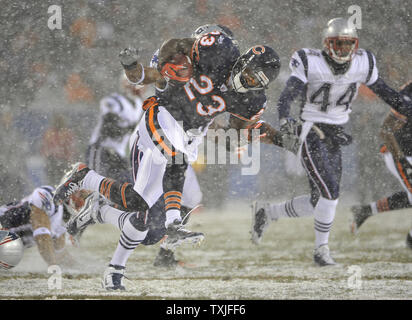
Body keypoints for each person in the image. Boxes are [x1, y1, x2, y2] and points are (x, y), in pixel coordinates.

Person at [54, 31, 283, 290]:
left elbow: (235, 130)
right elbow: (149, 73)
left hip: (184, 138)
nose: (250, 80)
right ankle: (173, 225)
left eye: (257, 80)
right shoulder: (192, 60)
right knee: (177, 158)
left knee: (140, 215)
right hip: (158, 119)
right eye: (250, 73)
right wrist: (134, 68)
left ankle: (111, 261)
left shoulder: (250, 97)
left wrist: (273, 137)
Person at [251, 17, 411, 266]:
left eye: (349, 44)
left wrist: (407, 108)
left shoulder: (363, 63)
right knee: (330, 193)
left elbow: (388, 94)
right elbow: (287, 96)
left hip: (336, 132)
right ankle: (321, 251)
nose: (344, 49)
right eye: (339, 43)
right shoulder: (309, 60)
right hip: (310, 129)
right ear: (327, 43)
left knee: (319, 201)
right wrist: (284, 120)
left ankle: (267, 213)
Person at [350, 81, 412, 248]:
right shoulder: (408, 96)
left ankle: (367, 210)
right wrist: (402, 160)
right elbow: (386, 130)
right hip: (400, 151)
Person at [86, 73, 146, 182]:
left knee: (124, 188)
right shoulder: (115, 101)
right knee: (95, 185)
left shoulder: (138, 104)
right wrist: (128, 128)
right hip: (102, 149)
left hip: (118, 154)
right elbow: (108, 128)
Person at [0, 185, 78, 268]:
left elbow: (60, 254)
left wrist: (78, 269)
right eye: (82, 194)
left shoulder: (64, 220)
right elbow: (42, 237)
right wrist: (54, 267)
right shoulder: (50, 196)